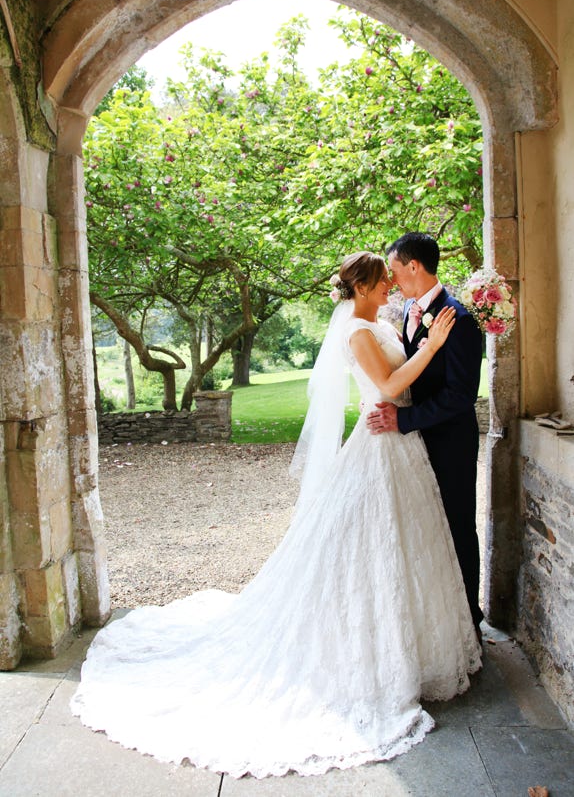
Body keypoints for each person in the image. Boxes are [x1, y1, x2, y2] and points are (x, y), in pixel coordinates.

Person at [71, 251, 481, 780]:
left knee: (407, 546)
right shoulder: (357, 332)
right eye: (382, 282)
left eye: (390, 280)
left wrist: (426, 345)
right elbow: (384, 387)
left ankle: (416, 643)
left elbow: (410, 380)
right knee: (369, 544)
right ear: (362, 289)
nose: (390, 288)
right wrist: (432, 345)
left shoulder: (381, 320)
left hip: (404, 447)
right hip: (381, 446)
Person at [366, 233, 484, 638]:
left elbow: (460, 395)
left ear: (413, 266)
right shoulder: (411, 313)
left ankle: (471, 622)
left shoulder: (459, 319)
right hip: (417, 444)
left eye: (395, 270)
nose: (392, 279)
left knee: (457, 528)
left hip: (450, 442)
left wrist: (403, 420)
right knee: (428, 529)